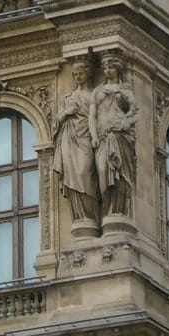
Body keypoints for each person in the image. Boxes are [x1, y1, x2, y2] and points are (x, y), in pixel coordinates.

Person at [51, 60, 100, 227]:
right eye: (75, 74)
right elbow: (55, 123)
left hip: (86, 139)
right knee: (74, 174)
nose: (78, 77)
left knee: (85, 172)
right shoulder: (68, 97)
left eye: (80, 73)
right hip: (69, 140)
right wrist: (66, 112)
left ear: (88, 73)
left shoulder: (94, 95)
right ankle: (81, 218)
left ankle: (91, 217)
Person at [92, 55, 139, 219]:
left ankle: (118, 210)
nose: (107, 70)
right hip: (103, 137)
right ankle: (107, 210)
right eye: (104, 68)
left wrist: (127, 122)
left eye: (110, 67)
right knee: (103, 171)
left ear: (118, 69)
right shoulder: (98, 91)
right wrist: (94, 136)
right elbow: (92, 116)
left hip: (120, 135)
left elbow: (136, 112)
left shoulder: (125, 89)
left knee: (120, 173)